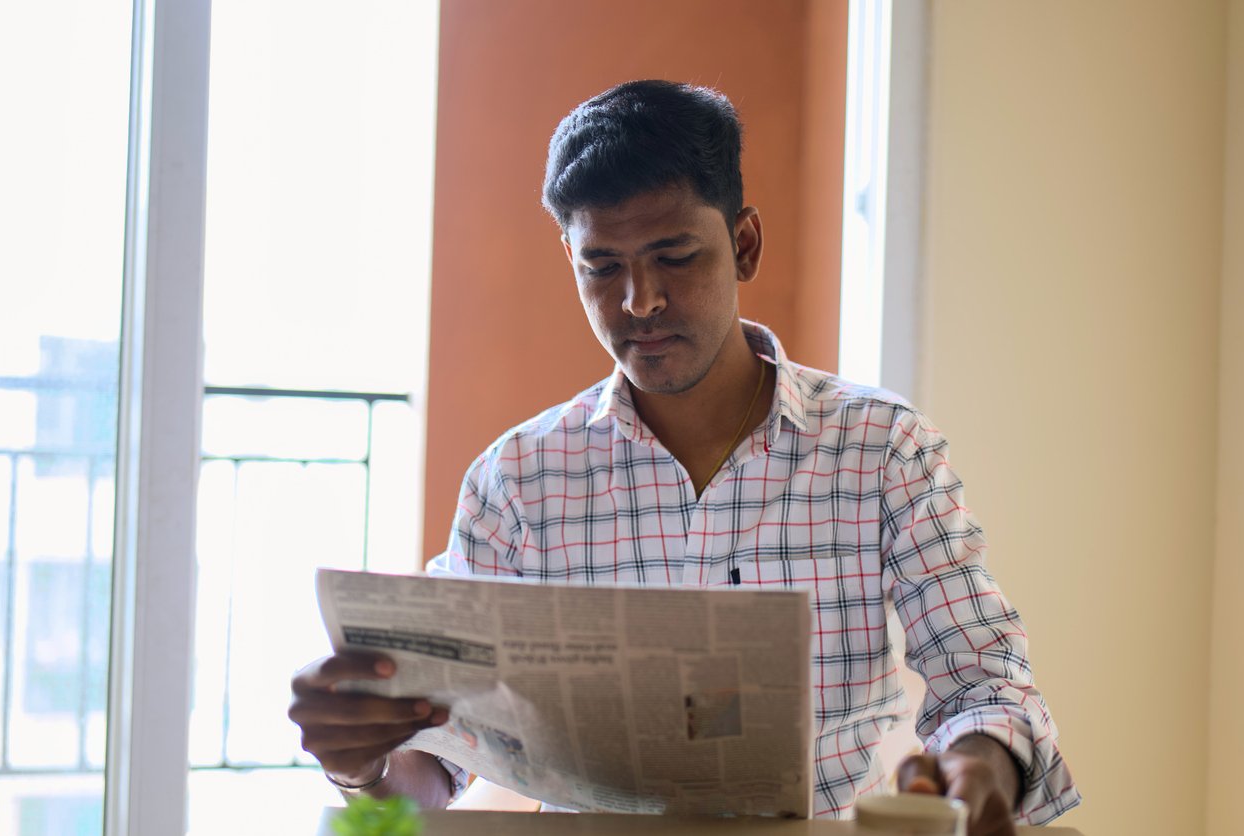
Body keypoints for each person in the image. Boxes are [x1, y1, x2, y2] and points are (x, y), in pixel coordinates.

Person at [289, 80, 1081, 833]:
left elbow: (984, 682)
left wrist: (980, 769)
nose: (640, 301)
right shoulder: (518, 482)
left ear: (744, 244)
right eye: (602, 267)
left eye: (674, 256)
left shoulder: (882, 450)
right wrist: (361, 765)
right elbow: (432, 766)